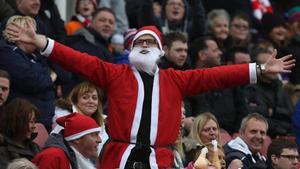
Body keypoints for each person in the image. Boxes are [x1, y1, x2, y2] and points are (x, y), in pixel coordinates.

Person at [6, 21, 295, 168]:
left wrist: (259, 68)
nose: (144, 45)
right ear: (132, 48)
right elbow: (76, 58)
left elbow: (217, 76)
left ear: (159, 50)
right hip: (119, 156)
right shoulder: (114, 74)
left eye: (150, 42)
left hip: (161, 158)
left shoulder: (175, 80)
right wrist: (41, 42)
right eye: (140, 41)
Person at [0, 15, 56, 131]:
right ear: (18, 35)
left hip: (43, 118)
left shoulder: (35, 56)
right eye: (32, 33)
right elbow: (31, 81)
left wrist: (47, 77)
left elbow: (49, 74)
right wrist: (50, 78)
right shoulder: (7, 53)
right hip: (22, 121)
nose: (36, 37)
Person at [51, 81, 107, 154]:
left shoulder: (102, 121)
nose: (90, 101)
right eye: (85, 97)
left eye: (94, 98)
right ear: (75, 101)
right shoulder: (66, 122)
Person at [32, 113, 102, 169]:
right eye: (94, 135)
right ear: (77, 139)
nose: (99, 140)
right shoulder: (52, 157)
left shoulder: (90, 156)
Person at [0, 98, 40, 168]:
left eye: (34, 122)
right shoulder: (3, 152)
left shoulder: (34, 147)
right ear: (16, 122)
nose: (34, 127)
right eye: (30, 122)